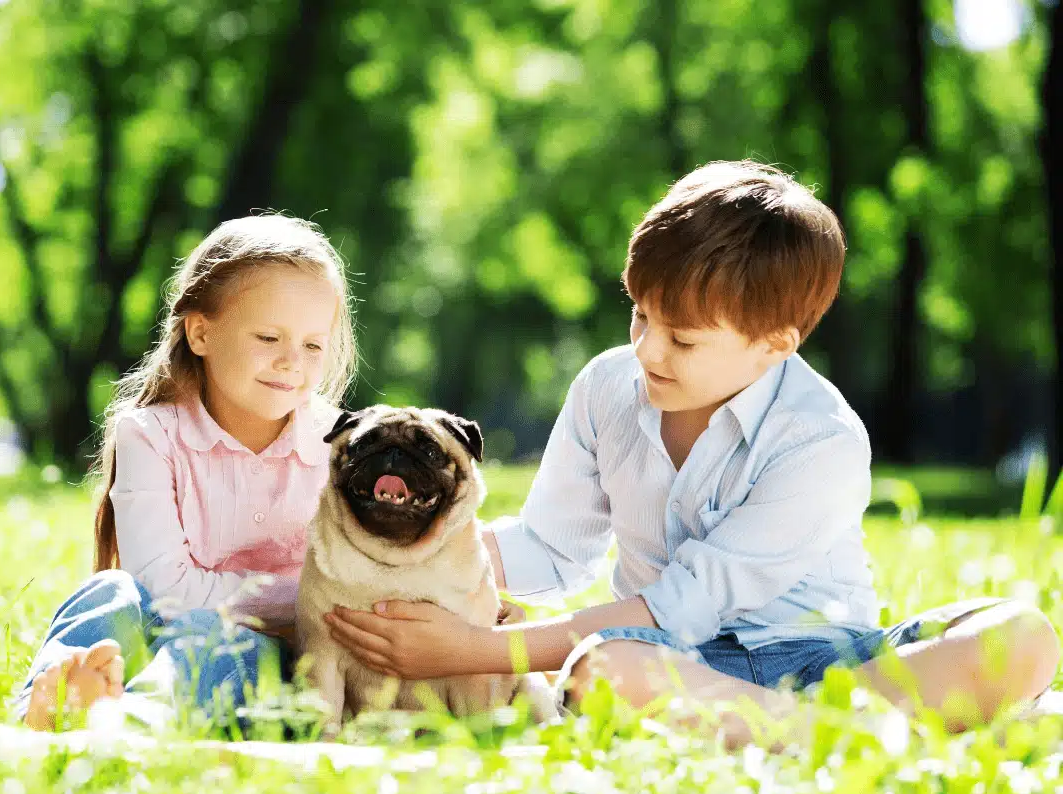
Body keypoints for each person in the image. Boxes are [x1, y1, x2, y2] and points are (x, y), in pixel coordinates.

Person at [323, 161, 1061, 749]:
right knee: (603, 669)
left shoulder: (821, 440)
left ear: (775, 345)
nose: (647, 350)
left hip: (833, 664)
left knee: (1023, 636)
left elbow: (686, 603)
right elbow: (551, 545)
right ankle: (853, 739)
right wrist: (415, 565)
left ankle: (822, 729)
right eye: (641, 315)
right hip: (676, 667)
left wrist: (472, 649)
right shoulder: (608, 388)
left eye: (683, 338)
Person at [15, 214, 356, 731]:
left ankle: (128, 723)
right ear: (200, 332)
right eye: (268, 337)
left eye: (313, 345)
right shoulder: (150, 435)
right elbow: (163, 590)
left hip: (275, 656)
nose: (293, 361)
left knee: (228, 643)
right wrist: (306, 598)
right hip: (158, 628)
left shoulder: (344, 445)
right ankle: (47, 706)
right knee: (109, 593)